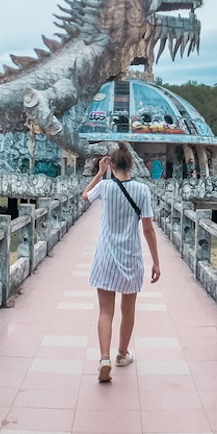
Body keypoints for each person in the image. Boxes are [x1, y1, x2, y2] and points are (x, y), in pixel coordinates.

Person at [82, 145, 160, 382]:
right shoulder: (142, 190)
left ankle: (104, 358)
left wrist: (99, 172)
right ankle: (122, 353)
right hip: (130, 257)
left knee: (106, 311)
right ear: (132, 165)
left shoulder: (104, 187)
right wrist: (156, 262)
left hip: (105, 256)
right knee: (128, 311)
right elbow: (147, 229)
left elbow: (85, 196)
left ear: (112, 166)